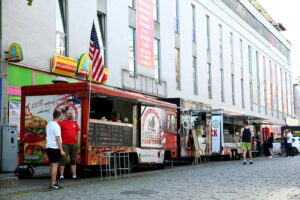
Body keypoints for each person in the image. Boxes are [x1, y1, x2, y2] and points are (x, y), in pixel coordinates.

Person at [59, 109, 81, 181]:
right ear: (65, 115)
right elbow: (58, 134)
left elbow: (78, 132)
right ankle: (61, 176)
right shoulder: (61, 123)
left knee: (73, 160)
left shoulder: (75, 123)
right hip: (65, 144)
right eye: (68, 113)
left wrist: (78, 143)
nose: (70, 114)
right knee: (63, 159)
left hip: (74, 144)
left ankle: (74, 176)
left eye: (71, 113)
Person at [46, 110, 66, 189]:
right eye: (61, 116)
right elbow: (58, 138)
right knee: (55, 165)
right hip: (54, 147)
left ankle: (52, 182)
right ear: (58, 116)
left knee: (51, 165)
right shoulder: (56, 126)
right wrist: (61, 150)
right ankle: (53, 183)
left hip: (48, 147)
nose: (61, 118)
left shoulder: (49, 124)